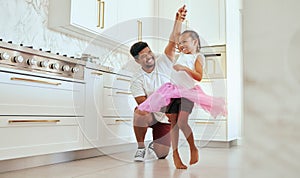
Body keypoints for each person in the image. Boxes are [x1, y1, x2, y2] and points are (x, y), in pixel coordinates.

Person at [136, 30, 227, 169]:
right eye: (180, 43)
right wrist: (178, 49)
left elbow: (199, 76)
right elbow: (171, 46)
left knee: (182, 122)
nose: (181, 45)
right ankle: (176, 156)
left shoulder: (198, 56)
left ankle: (193, 148)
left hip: (188, 93)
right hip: (173, 92)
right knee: (174, 123)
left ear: (195, 42)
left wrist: (184, 68)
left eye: (185, 41)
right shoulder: (180, 56)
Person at [129, 5, 191, 165]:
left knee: (162, 155)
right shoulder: (137, 79)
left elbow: (173, 40)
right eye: (143, 56)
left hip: (164, 118)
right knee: (139, 113)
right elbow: (144, 105)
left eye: (149, 52)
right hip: (150, 114)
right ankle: (141, 147)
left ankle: (154, 145)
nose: (149, 57)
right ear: (137, 60)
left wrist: (178, 20)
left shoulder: (163, 61)